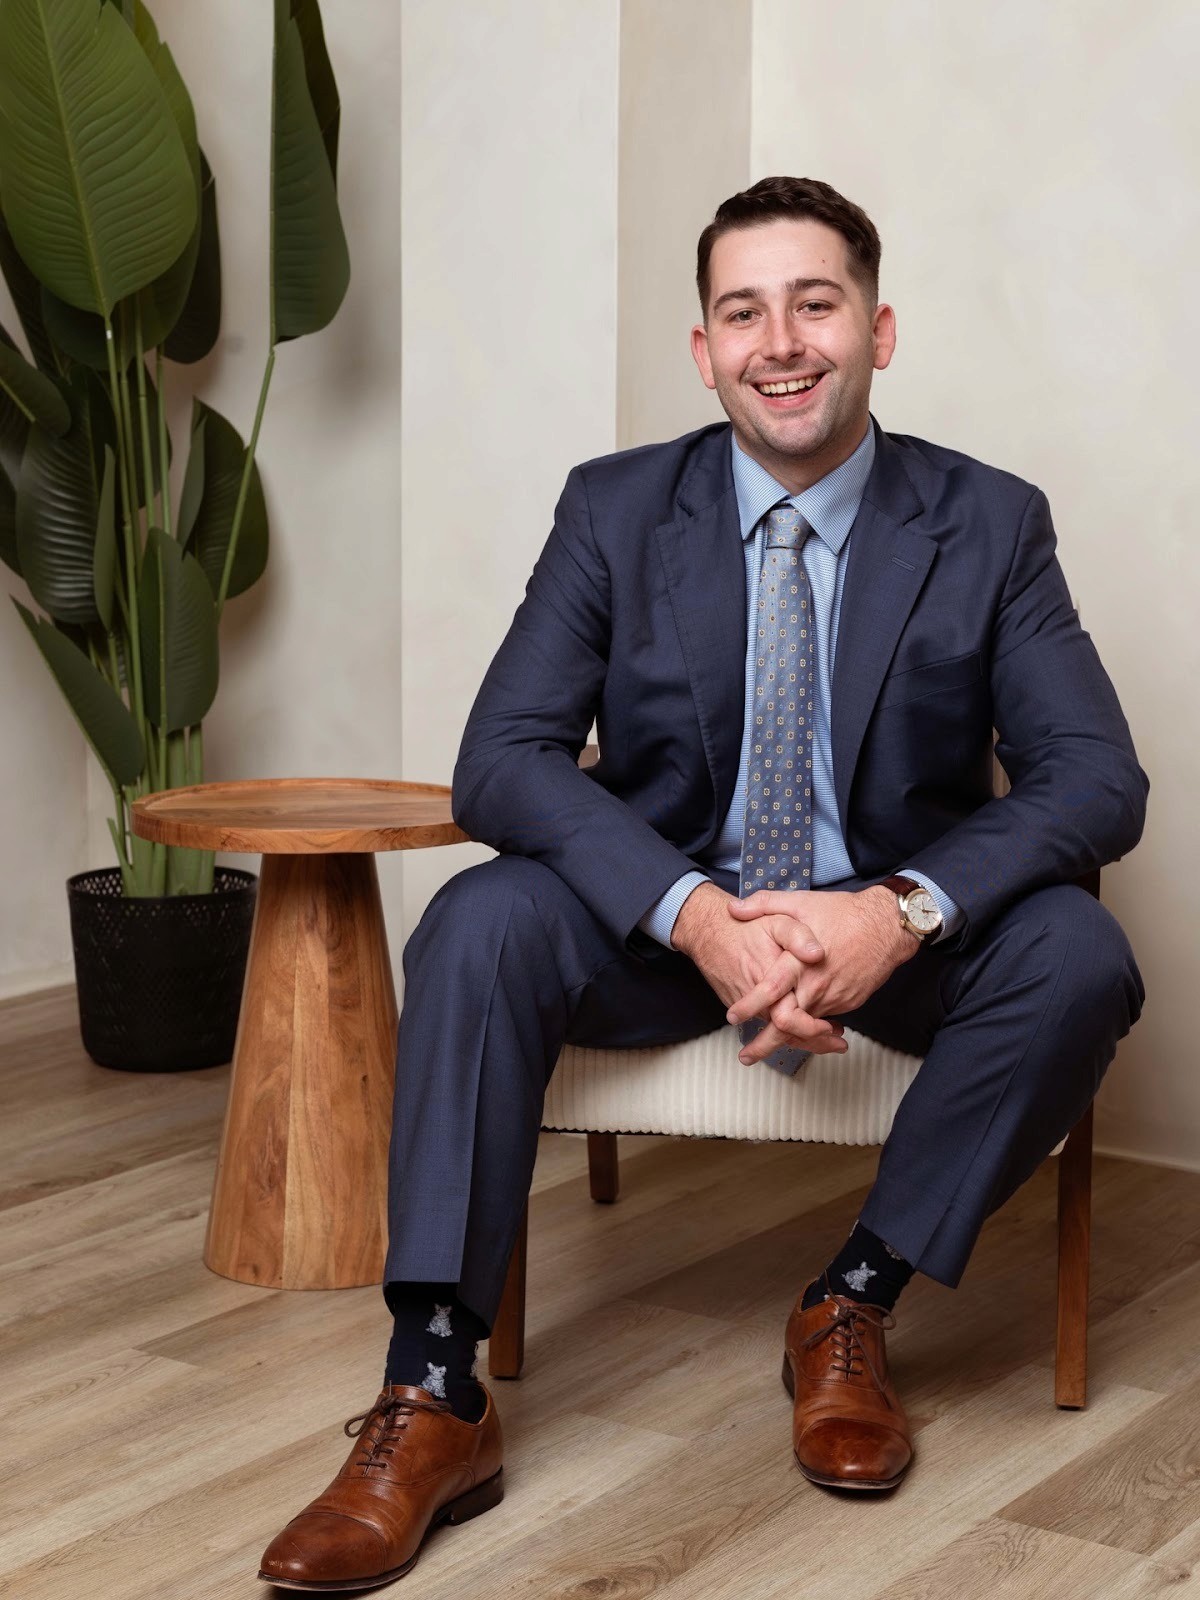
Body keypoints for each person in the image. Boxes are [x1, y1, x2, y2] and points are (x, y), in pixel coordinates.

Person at [258, 176, 1147, 1590]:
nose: (780, 340)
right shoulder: (616, 510)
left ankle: (850, 1306)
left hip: (893, 944)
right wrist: (696, 915)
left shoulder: (987, 521)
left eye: (816, 303)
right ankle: (435, 1393)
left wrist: (891, 911)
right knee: (480, 916)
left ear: (880, 329)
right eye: (744, 310)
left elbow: (1099, 782)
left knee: (1080, 953)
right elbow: (503, 759)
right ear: (704, 347)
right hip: (664, 933)